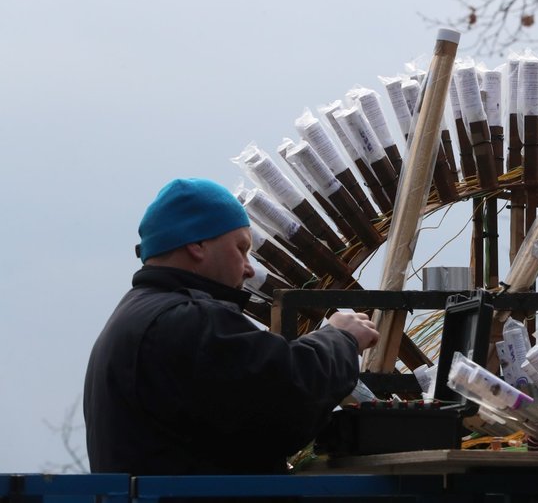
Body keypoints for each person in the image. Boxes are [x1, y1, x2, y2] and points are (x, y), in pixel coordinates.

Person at [84, 178, 379, 475]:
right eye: (241, 248)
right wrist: (342, 338)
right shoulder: (189, 320)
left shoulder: (133, 316)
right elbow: (285, 399)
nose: (249, 268)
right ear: (197, 244)